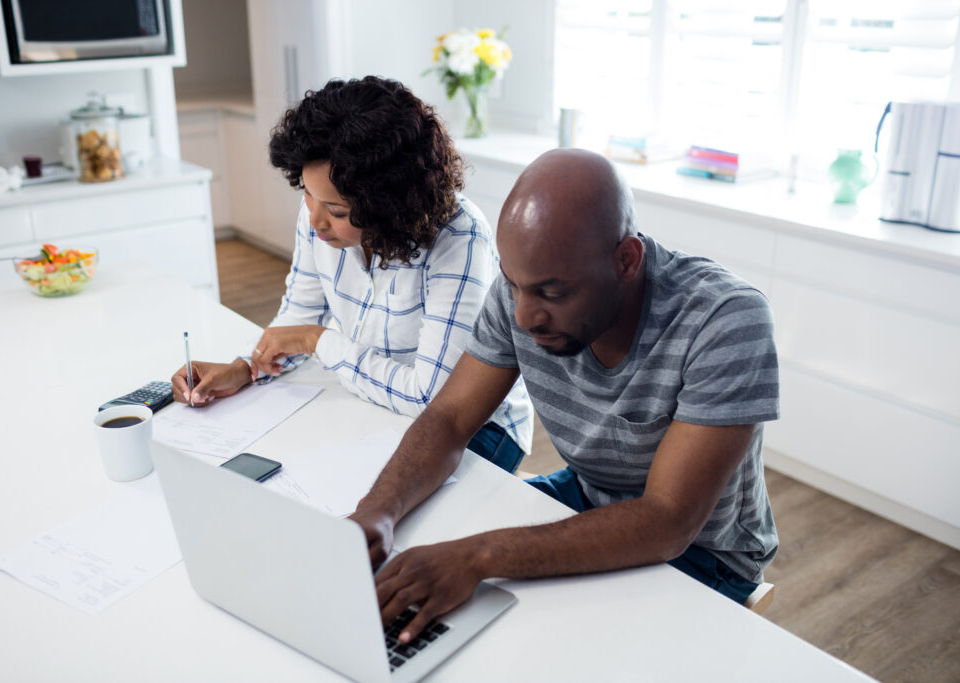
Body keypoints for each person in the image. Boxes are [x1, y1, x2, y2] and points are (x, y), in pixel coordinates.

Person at [350, 148, 780, 644]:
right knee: (427, 583)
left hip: (704, 553)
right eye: (514, 287)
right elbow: (448, 419)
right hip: (586, 497)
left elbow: (668, 521)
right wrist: (377, 511)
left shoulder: (726, 320)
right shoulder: (522, 294)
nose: (526, 316)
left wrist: (478, 556)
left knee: (536, 642)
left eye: (552, 294)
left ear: (626, 260)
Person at [171, 76, 532, 472]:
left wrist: (317, 341)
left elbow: (431, 399)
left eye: (338, 212)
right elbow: (300, 315)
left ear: (388, 207)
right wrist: (245, 368)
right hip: (377, 401)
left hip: (474, 428)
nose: (315, 220)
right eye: (307, 195)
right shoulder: (319, 213)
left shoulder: (459, 239)